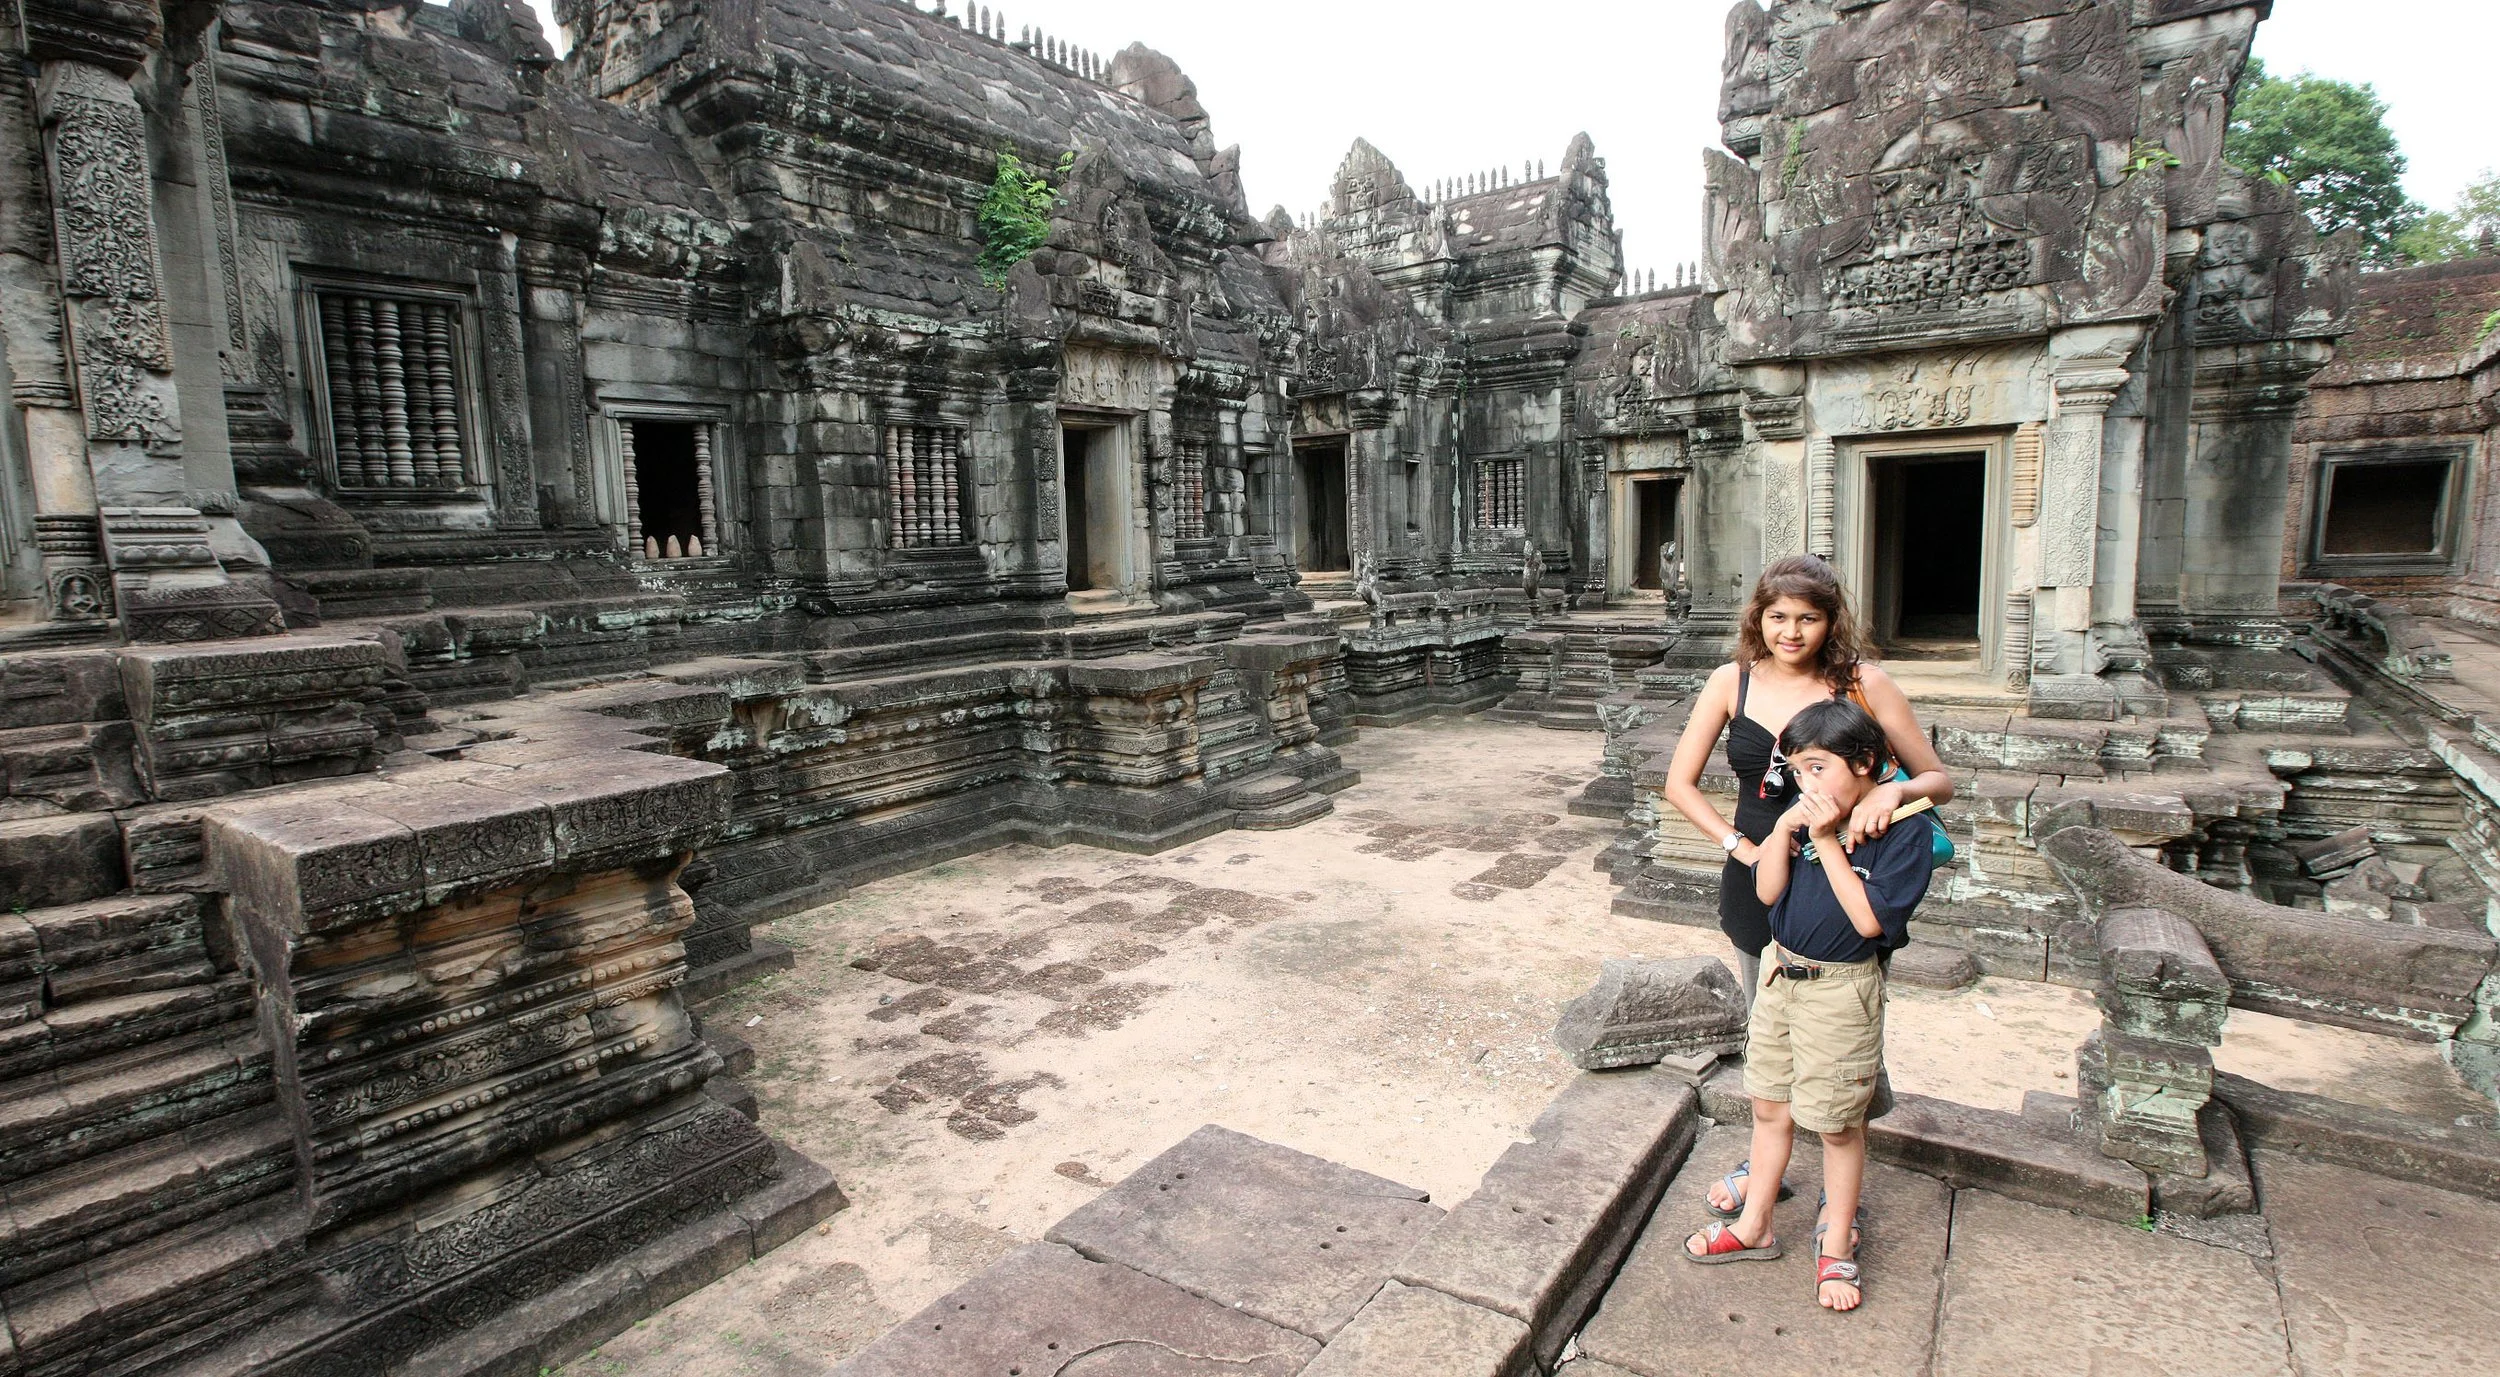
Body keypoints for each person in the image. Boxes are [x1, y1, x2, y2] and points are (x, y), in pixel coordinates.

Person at [1657, 554, 1951, 1220]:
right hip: (1760, 873)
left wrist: (1897, 787)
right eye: (1779, 616)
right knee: (1770, 1029)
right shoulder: (1731, 681)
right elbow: (1679, 782)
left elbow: (1939, 778)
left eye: (1809, 618)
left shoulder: (1861, 682)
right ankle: (1768, 1163)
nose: (1792, 632)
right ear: (1758, 617)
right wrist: (1740, 845)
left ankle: (1840, 1167)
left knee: (1843, 1022)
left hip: (1847, 879)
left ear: (1830, 620)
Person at [1680, 698, 1939, 1313]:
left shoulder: (1903, 832)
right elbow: (1769, 892)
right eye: (1798, 771)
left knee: (1839, 1125)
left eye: (1819, 768)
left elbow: (1871, 921)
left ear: (1867, 765)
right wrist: (1783, 831)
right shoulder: (1799, 820)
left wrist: (1825, 840)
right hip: (1779, 976)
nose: (1807, 783)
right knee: (1769, 1108)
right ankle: (1755, 1224)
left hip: (1840, 987)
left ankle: (1836, 1245)